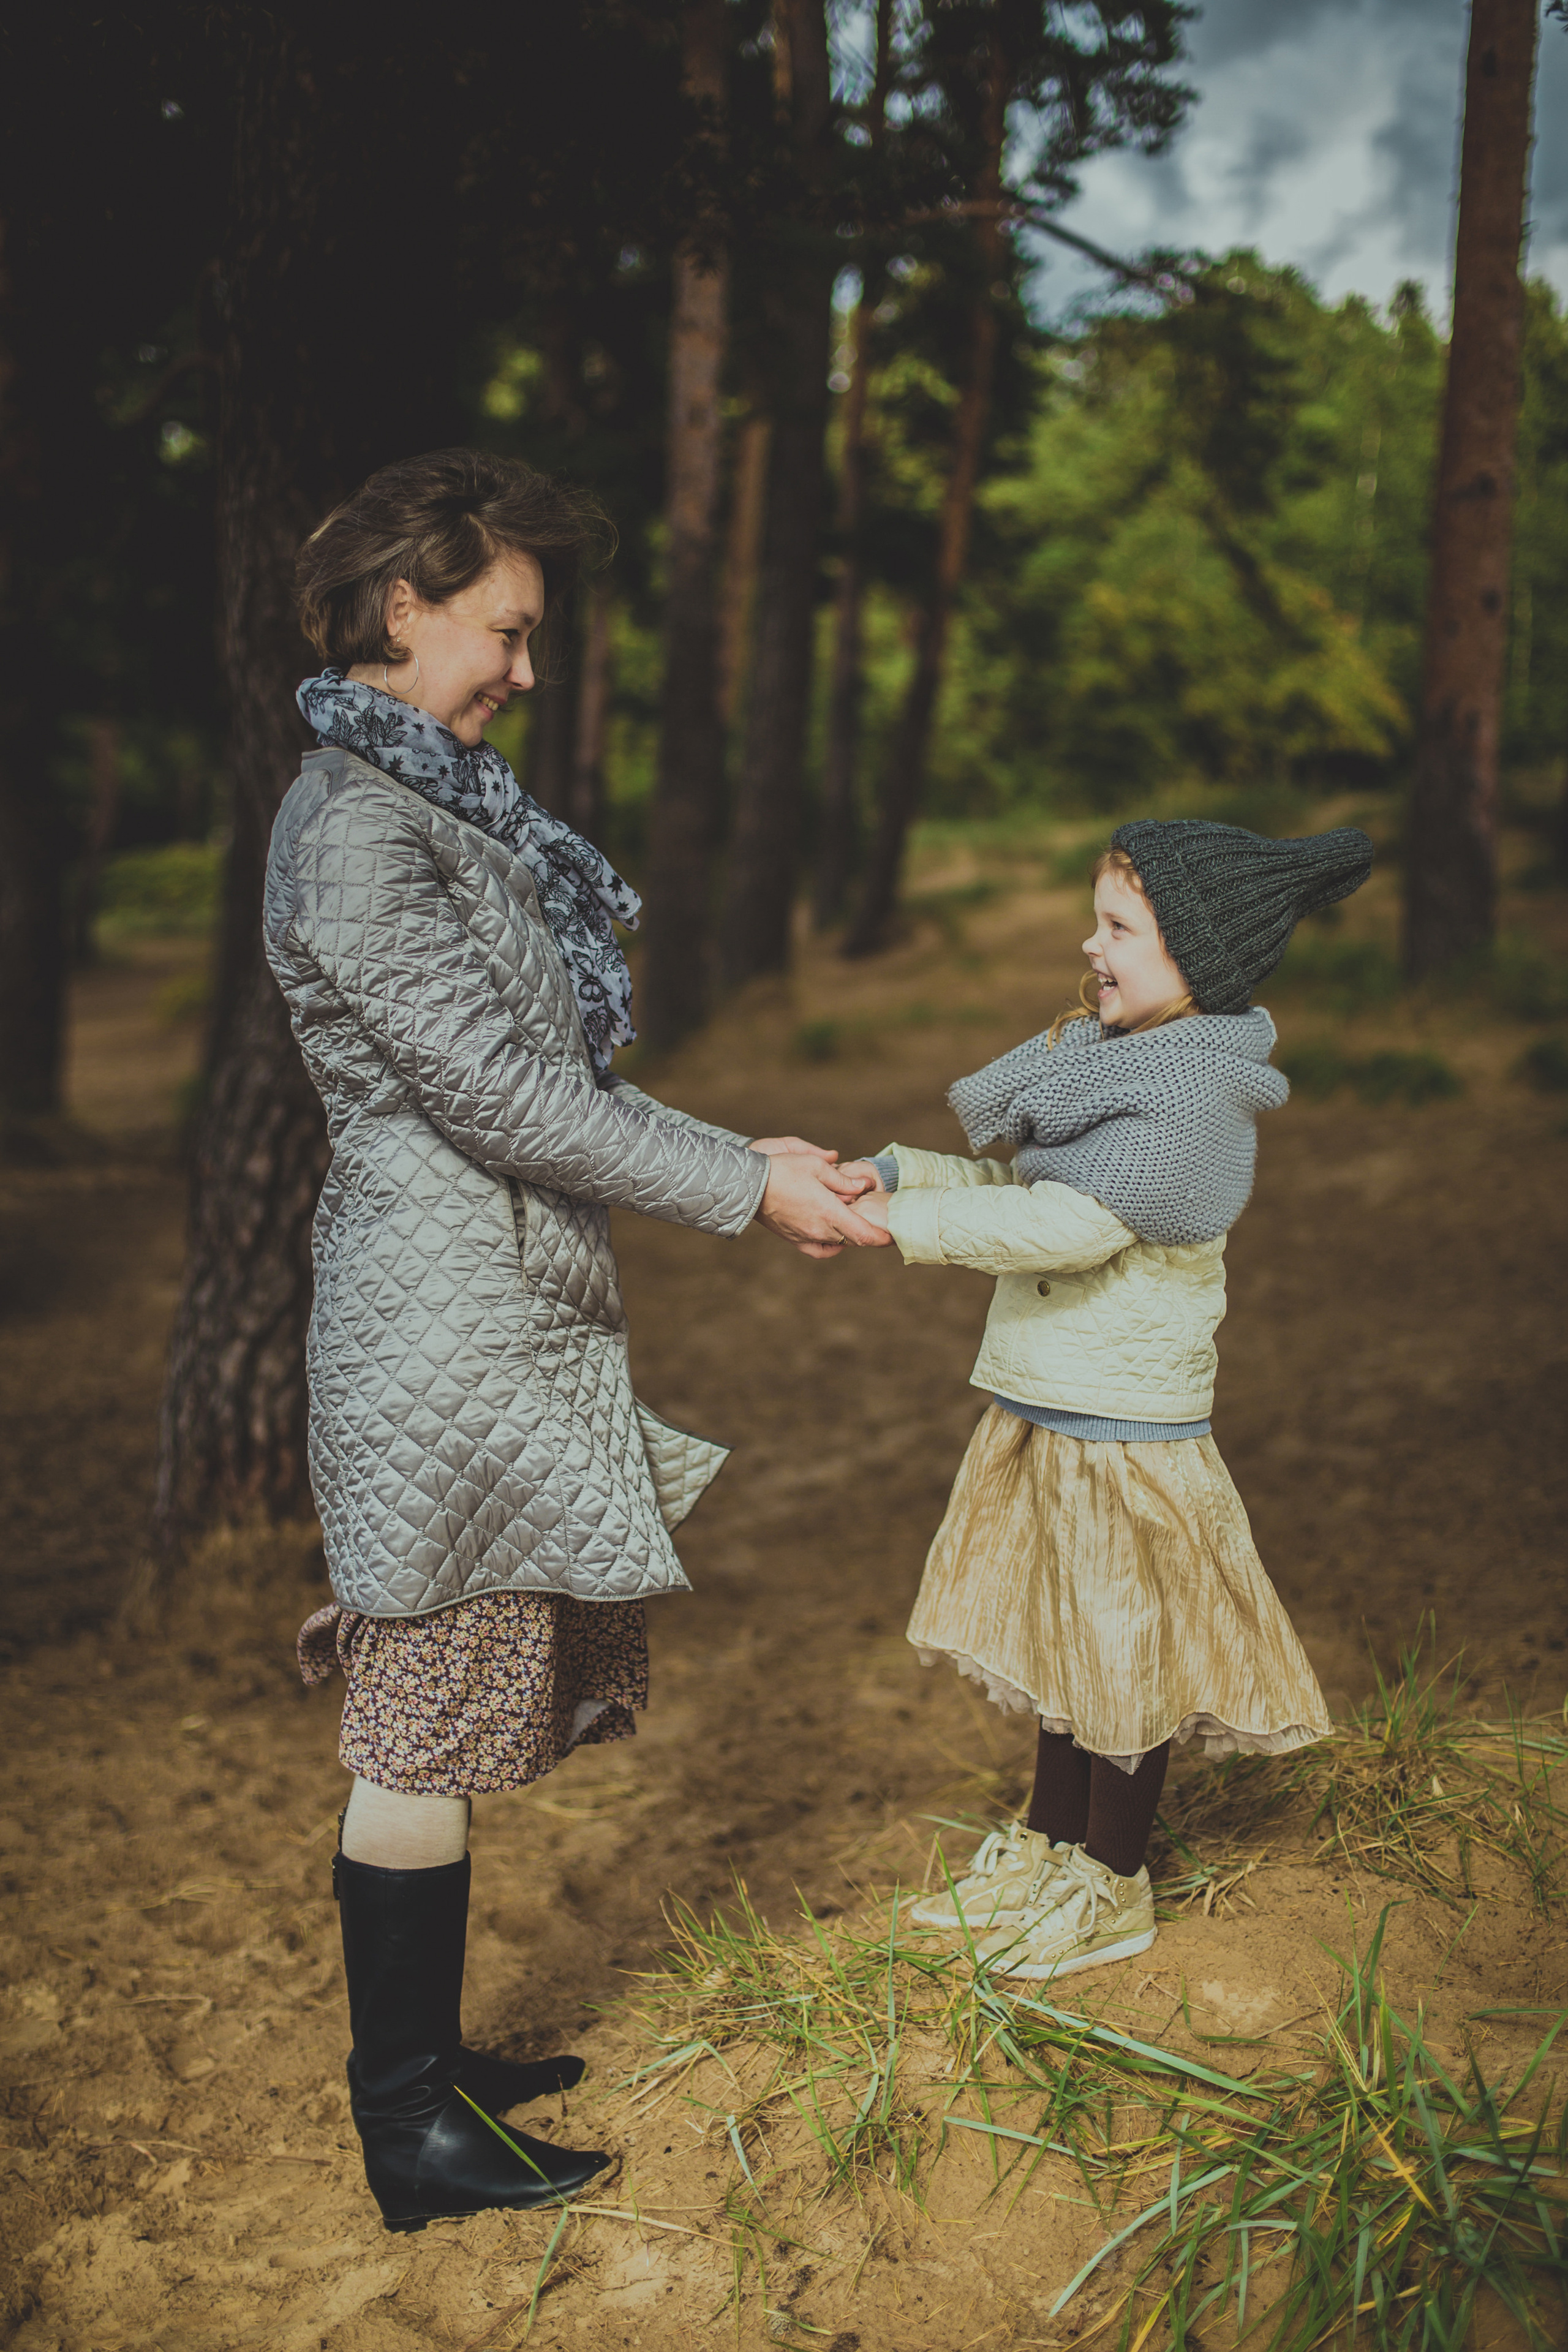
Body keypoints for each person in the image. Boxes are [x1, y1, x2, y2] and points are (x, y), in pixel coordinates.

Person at [263, 448, 886, 2233]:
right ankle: (411, 2133)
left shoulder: (445, 807)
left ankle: (430, 2067)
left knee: (449, 1704)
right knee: (421, 1716)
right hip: (433, 1325)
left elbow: (559, 1080)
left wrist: (742, 1147)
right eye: (506, 629)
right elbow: (488, 1092)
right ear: (405, 609)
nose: (529, 670)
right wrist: (739, 1192)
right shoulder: (359, 825)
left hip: (499, 1310)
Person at [843, 818, 1373, 1981]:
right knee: (1066, 1642)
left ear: (1201, 957)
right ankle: (1050, 1847)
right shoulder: (1121, 1058)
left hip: (1127, 1426)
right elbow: (1024, 1179)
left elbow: (1071, 1224)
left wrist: (897, 1227)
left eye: (1119, 928)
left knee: (1120, 1653)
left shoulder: (1190, 1097)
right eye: (1098, 920)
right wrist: (894, 1175)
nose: (1091, 946)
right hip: (1059, 1405)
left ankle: (1112, 1883)